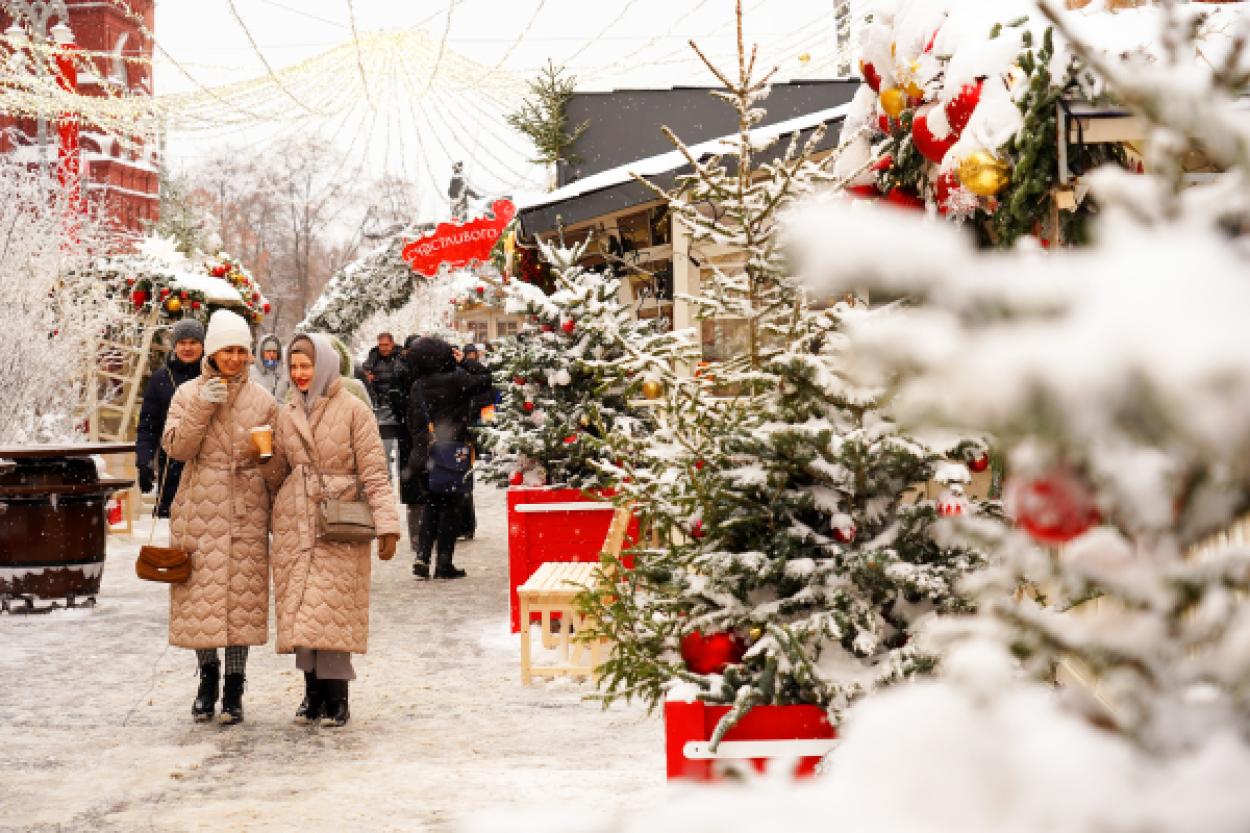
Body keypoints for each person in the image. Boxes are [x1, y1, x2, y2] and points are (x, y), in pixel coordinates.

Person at [269, 333, 400, 727]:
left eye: (306, 365)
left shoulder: (353, 410)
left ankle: (337, 697)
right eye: (294, 366)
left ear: (324, 365)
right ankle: (311, 694)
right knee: (302, 613)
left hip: (340, 520)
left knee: (331, 612)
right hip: (295, 521)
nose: (299, 373)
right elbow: (277, 474)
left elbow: (375, 471)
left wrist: (388, 526)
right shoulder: (285, 412)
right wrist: (263, 459)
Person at [161, 309, 281, 725]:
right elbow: (176, 448)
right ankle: (206, 678)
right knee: (201, 599)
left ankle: (234, 685)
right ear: (211, 352)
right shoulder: (186, 393)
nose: (234, 358)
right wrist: (200, 407)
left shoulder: (263, 400)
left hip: (246, 507)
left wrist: (265, 457)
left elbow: (276, 465)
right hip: (199, 508)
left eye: (241, 351)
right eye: (226, 350)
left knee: (240, 601)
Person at [402, 337, 493, 580]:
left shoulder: (417, 385)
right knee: (451, 508)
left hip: (424, 454)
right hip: (452, 454)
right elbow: (486, 380)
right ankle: (444, 563)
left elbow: (413, 422)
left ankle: (422, 556)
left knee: (431, 506)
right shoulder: (457, 379)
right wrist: (466, 362)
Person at [136, 319, 204, 517]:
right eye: (182, 343)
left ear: (203, 345)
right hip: (171, 466)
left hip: (206, 464)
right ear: (175, 345)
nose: (187, 348)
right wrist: (144, 461)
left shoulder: (213, 375)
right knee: (174, 530)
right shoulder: (160, 379)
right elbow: (148, 425)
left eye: (193, 342)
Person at [458, 343, 494, 541]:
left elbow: (487, 383)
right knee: (461, 483)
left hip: (459, 433)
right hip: (459, 434)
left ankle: (464, 526)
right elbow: (487, 378)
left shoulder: (463, 377)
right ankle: (464, 525)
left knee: (461, 482)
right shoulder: (462, 377)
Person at [362, 332, 403, 478]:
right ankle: (387, 476)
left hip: (399, 408)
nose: (383, 348)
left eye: (386, 345)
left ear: (392, 343)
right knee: (384, 448)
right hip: (381, 407)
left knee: (400, 449)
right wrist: (367, 377)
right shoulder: (373, 358)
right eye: (381, 345)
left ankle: (401, 476)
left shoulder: (401, 356)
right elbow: (364, 373)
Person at [253, 333, 289, 402]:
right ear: (261, 353)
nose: (272, 355)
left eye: (275, 351)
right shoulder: (250, 372)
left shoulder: (286, 373)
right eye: (268, 351)